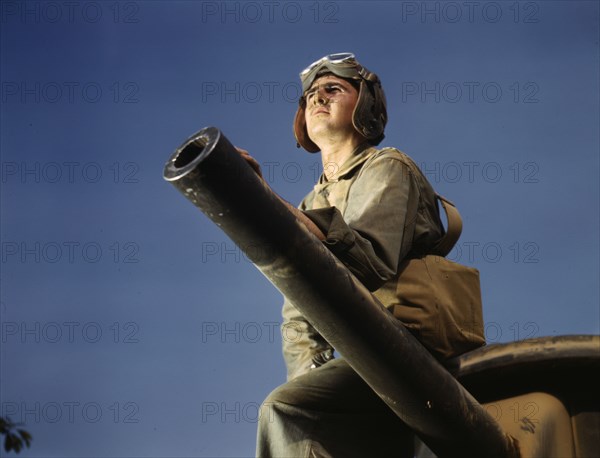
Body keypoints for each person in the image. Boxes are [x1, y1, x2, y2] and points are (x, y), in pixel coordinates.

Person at [238, 53, 448, 457]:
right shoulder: (309, 202)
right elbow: (298, 314)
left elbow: (369, 263)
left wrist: (265, 202)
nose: (318, 98)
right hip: (359, 364)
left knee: (285, 411)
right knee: (297, 405)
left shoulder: (389, 168)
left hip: (407, 351)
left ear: (365, 104)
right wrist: (311, 377)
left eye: (333, 89)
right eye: (311, 95)